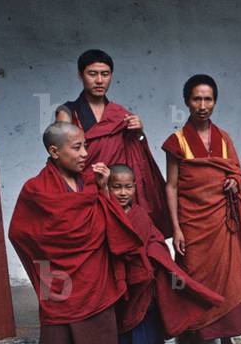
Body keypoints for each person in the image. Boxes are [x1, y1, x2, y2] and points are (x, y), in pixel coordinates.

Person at [8, 122, 143, 344]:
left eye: (85, 146)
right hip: (61, 283)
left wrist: (102, 188)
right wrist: (48, 270)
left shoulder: (90, 184)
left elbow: (110, 224)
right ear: (54, 152)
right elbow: (21, 232)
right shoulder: (36, 189)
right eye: (77, 147)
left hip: (93, 277)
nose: (85, 153)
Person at [162, 75, 241, 344]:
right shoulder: (177, 141)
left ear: (215, 102)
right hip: (193, 224)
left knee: (230, 279)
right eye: (197, 99)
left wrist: (234, 182)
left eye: (208, 99)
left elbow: (235, 171)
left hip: (223, 222)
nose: (203, 105)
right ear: (187, 102)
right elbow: (171, 187)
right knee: (195, 281)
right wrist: (176, 229)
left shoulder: (223, 138)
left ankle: (229, 343)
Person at [108, 164, 224, 344]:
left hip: (147, 285)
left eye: (128, 187)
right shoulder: (106, 214)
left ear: (135, 188)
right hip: (123, 289)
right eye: (116, 187)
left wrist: (151, 254)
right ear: (107, 188)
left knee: (155, 333)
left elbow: (156, 240)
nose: (122, 192)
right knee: (124, 339)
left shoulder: (140, 213)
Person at [56, 48, 171, 236]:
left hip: (116, 196)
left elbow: (136, 160)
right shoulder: (68, 113)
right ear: (80, 75)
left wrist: (139, 134)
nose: (99, 80)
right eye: (92, 74)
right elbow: (62, 159)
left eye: (105, 74)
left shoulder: (120, 115)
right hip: (85, 194)